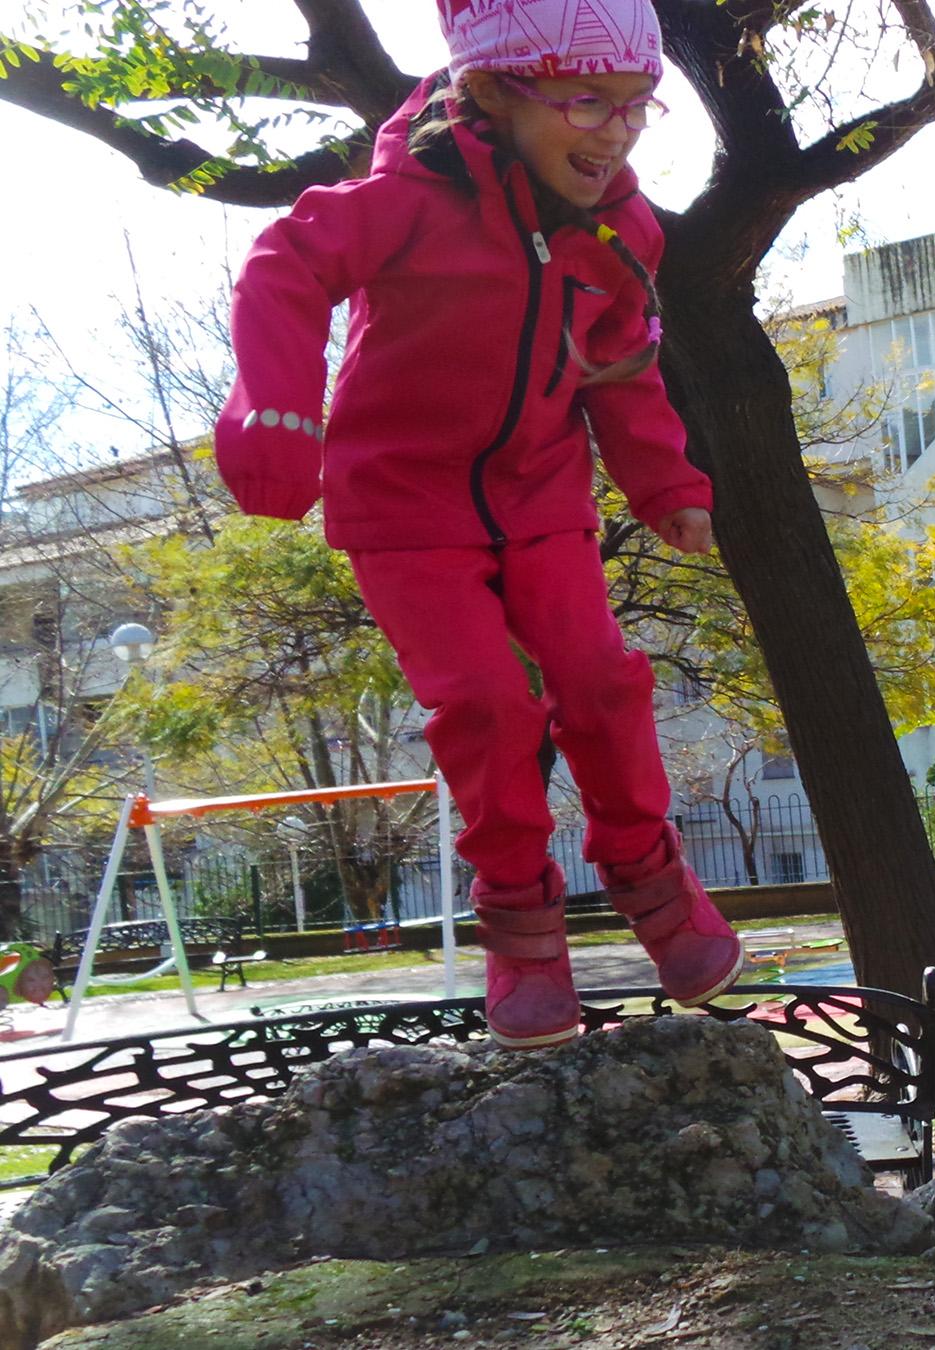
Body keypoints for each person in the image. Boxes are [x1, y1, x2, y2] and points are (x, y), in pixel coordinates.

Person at [212, 0, 738, 1049]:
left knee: (601, 678)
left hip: (540, 493)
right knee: (487, 705)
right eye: (586, 101)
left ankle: (651, 877)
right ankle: (520, 926)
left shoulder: (618, 231)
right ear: (493, 92)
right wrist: (276, 408)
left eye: (637, 105)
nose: (615, 132)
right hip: (403, 504)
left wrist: (665, 483)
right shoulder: (405, 201)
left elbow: (621, 367)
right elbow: (284, 266)